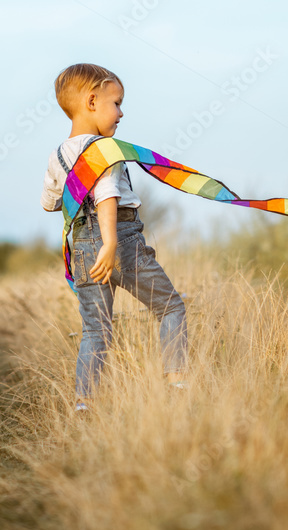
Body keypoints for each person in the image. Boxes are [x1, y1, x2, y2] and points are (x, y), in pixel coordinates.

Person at [41, 63, 188, 412]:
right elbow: (108, 193)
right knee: (171, 306)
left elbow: (49, 202)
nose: (121, 113)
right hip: (118, 240)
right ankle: (178, 384)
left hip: (81, 246)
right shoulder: (105, 151)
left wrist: (76, 197)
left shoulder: (58, 154)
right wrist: (109, 243)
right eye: (116, 103)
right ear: (92, 101)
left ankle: (84, 405)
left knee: (97, 330)